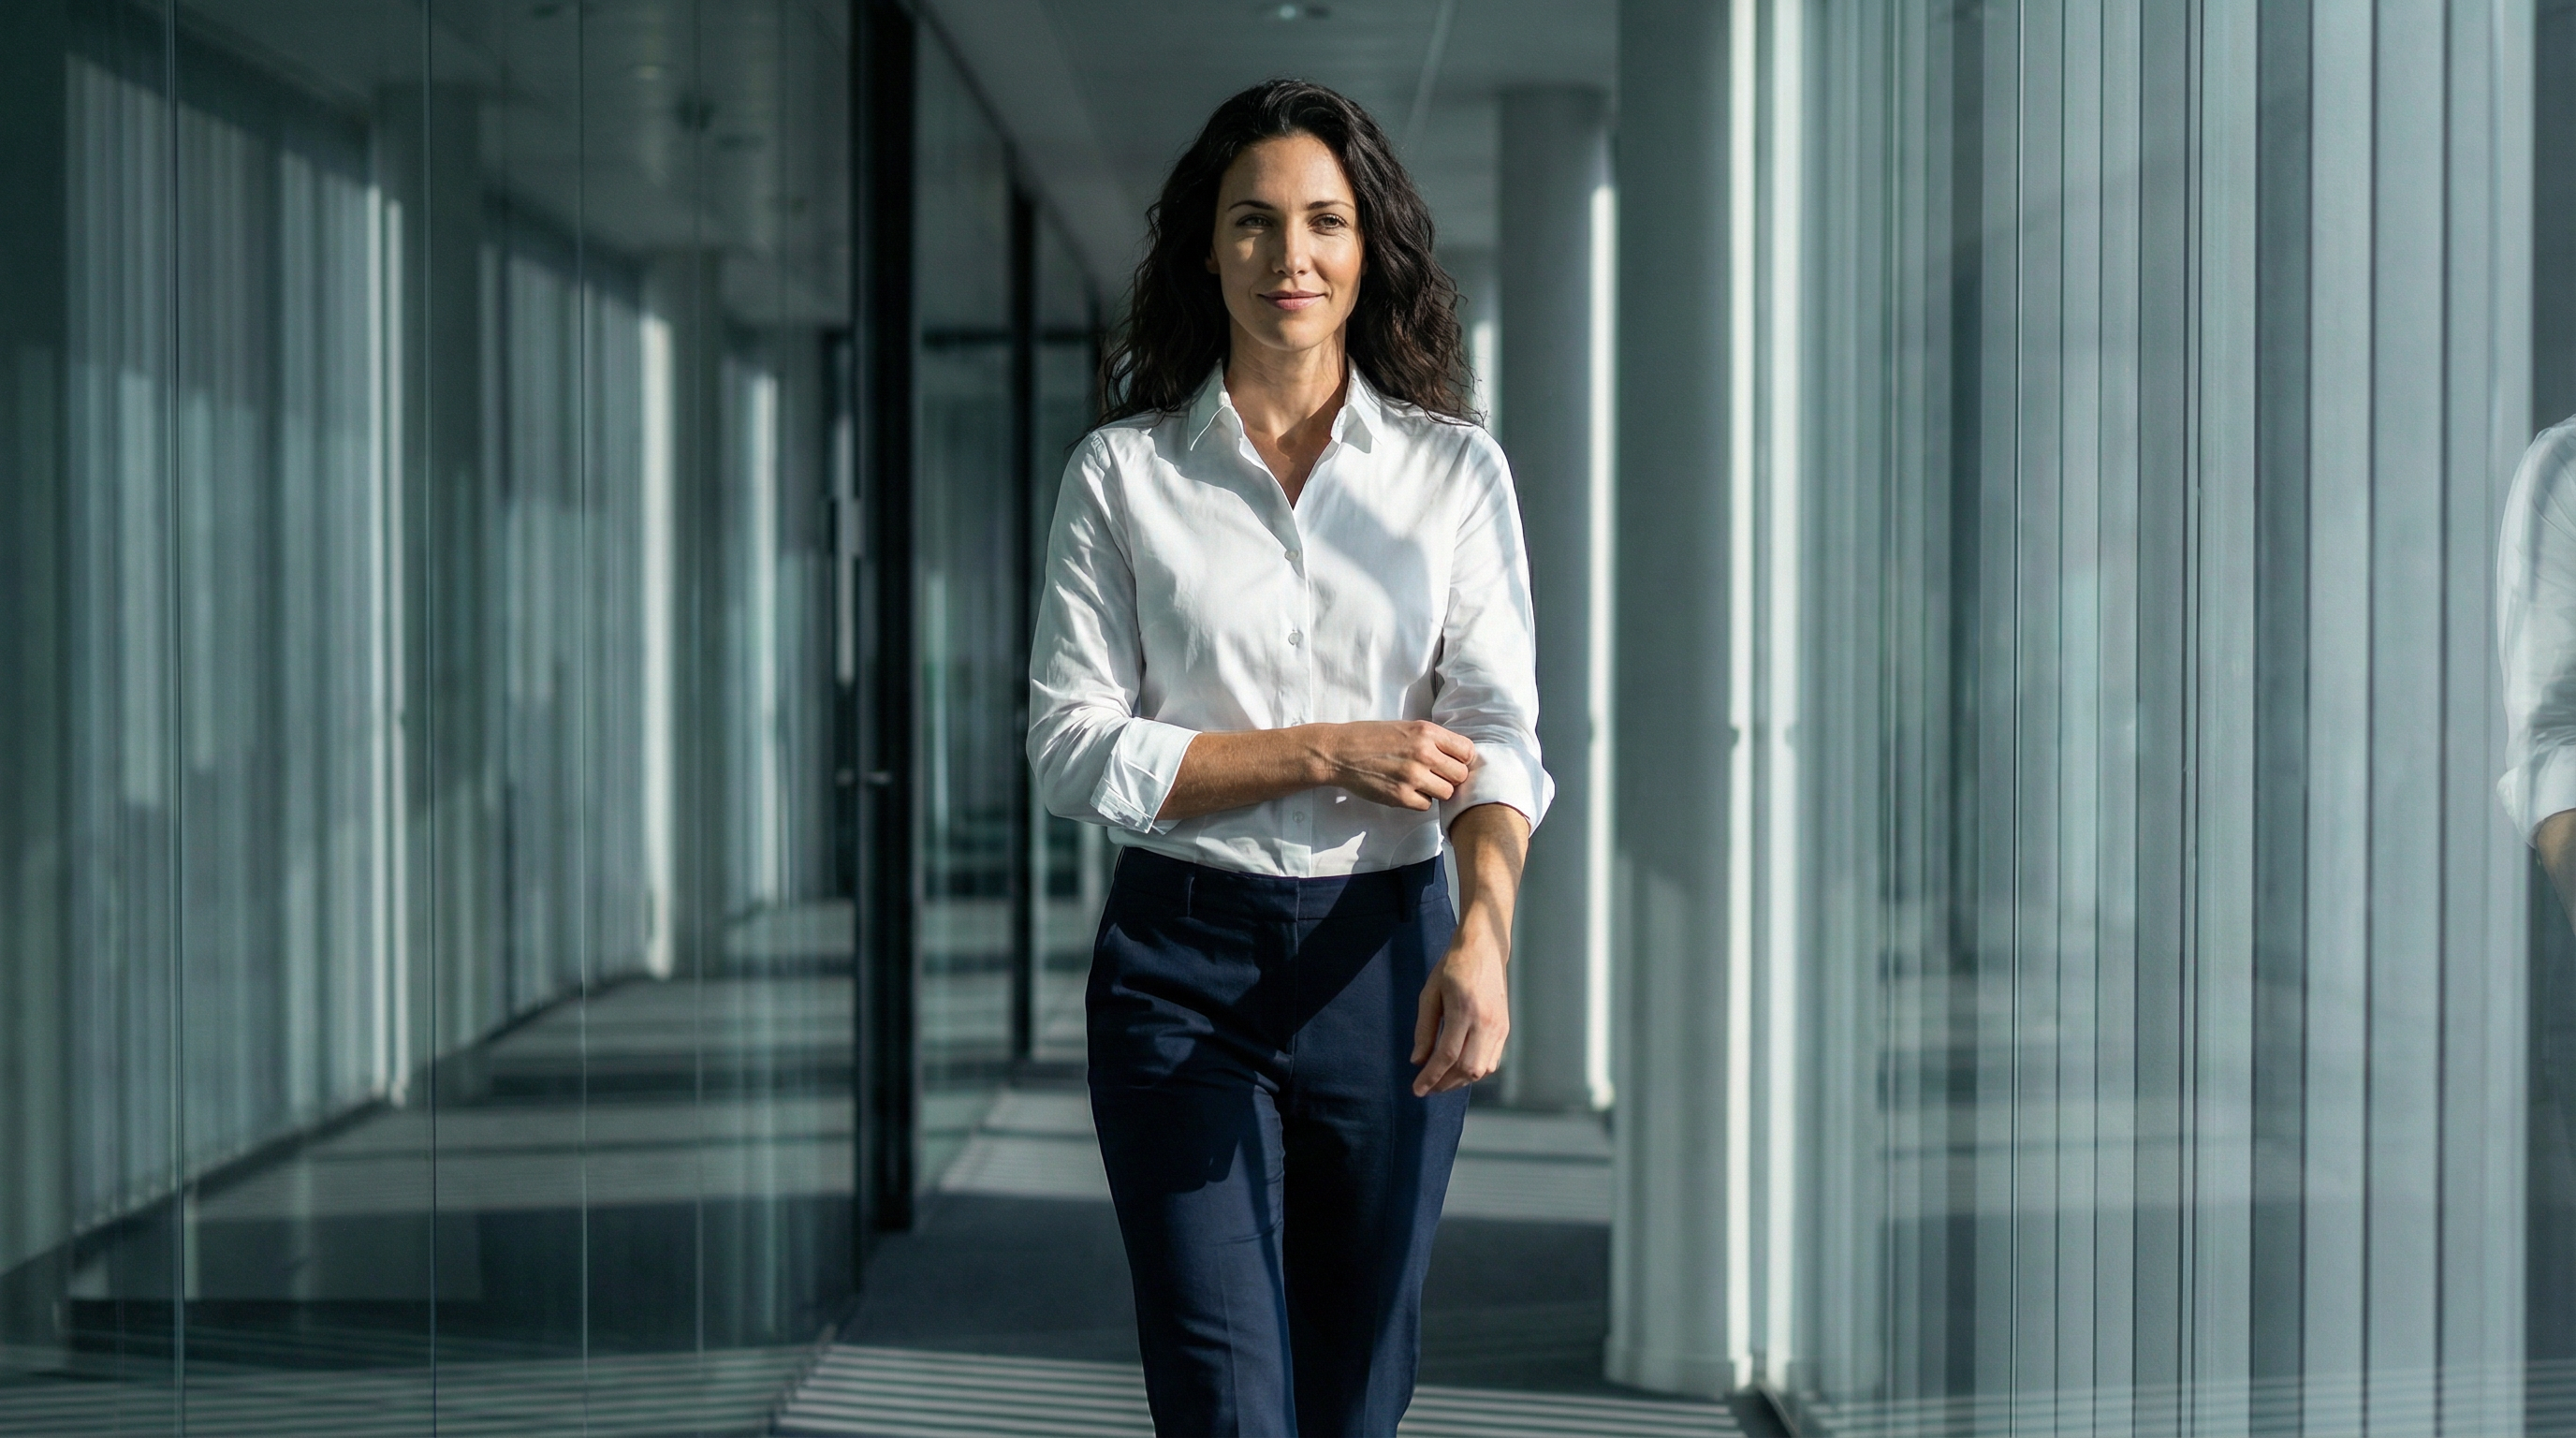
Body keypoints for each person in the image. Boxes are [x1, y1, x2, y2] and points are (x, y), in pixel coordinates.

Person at [1025, 79, 1551, 1438]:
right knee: (1223, 1396)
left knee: (1355, 1394)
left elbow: (1499, 736)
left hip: (1386, 963)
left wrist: (1483, 940)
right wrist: (1322, 750)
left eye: (1324, 221)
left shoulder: (1451, 474)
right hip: (1179, 973)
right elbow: (1070, 749)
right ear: (1206, 246)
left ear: (1369, 247)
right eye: (1252, 222)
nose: (1289, 256)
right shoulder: (1123, 476)